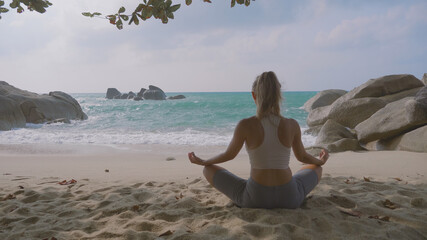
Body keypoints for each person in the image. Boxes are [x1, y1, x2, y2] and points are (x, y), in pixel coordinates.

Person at [188, 71, 329, 209]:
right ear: (278, 95)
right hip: (289, 197)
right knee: (315, 168)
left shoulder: (245, 125)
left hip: (255, 197)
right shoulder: (292, 124)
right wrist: (320, 161)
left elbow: (229, 155)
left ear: (254, 96)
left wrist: (204, 162)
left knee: (208, 170)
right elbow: (302, 156)